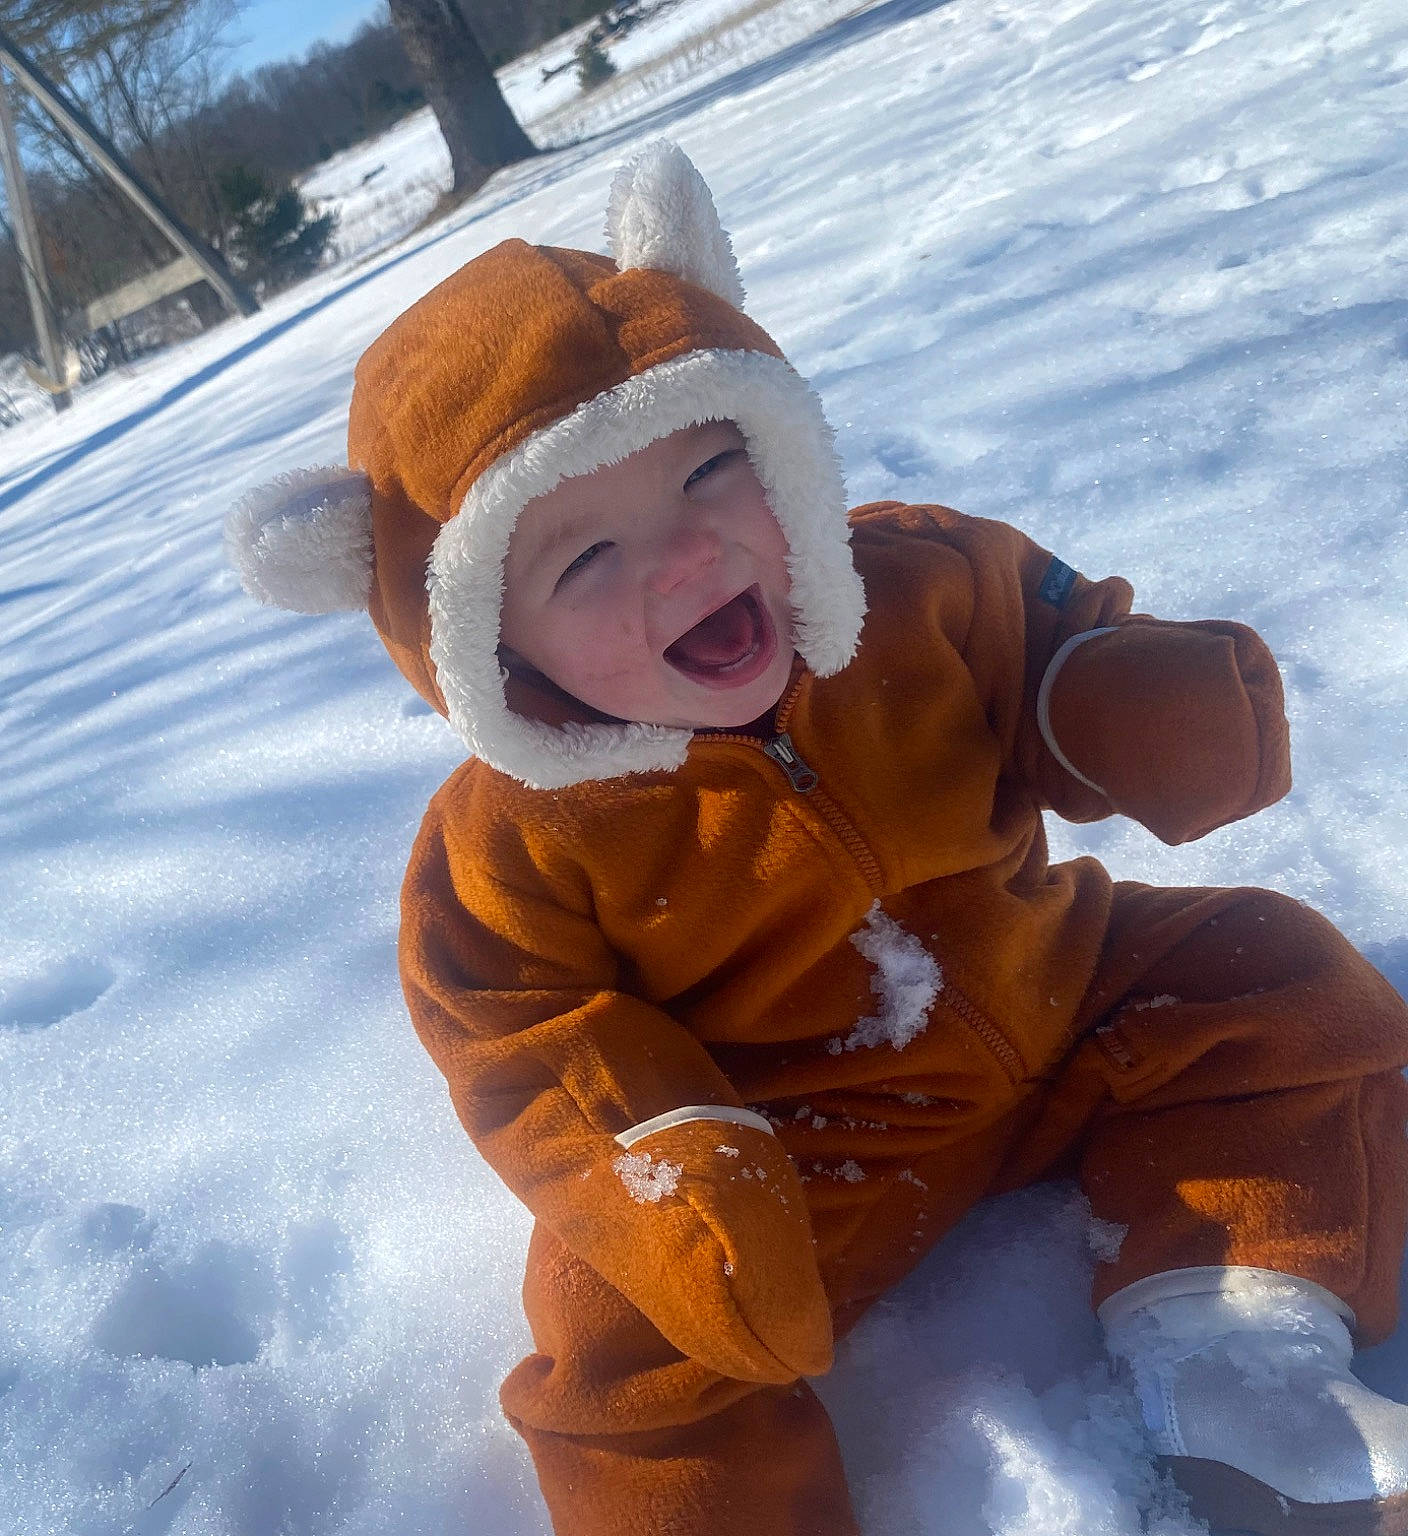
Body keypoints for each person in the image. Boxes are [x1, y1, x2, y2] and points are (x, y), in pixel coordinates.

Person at [225, 141, 1408, 1536]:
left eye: (712, 470)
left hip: (1063, 997)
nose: (686, 557)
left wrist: (1122, 700)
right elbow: (523, 1043)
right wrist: (666, 1167)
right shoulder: (513, 846)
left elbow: (1047, 640)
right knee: (620, 1344)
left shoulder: (921, 579)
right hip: (791, 1177)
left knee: (1271, 971)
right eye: (583, 558)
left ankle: (1235, 1350)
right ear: (486, 647)